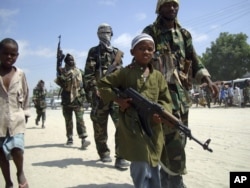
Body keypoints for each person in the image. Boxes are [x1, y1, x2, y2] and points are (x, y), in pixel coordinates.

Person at [142, 0, 219, 187]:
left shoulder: (184, 34)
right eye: (167, 5)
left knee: (181, 138)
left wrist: (207, 80)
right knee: (173, 141)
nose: (172, 8)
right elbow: (141, 60)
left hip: (181, 97)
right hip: (161, 97)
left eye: (175, 5)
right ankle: (176, 181)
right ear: (159, 8)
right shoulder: (150, 32)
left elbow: (194, 59)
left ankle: (166, 177)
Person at [97, 33, 173, 188]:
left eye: (150, 49)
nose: (146, 52)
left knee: (154, 163)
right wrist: (118, 100)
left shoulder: (158, 76)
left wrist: (162, 113)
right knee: (140, 163)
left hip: (153, 127)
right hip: (133, 126)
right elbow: (103, 84)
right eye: (141, 48)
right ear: (132, 52)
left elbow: (166, 99)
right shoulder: (125, 72)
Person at [84, 23, 129, 169]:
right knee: (99, 126)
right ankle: (103, 152)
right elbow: (88, 75)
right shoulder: (94, 52)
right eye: (102, 32)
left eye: (107, 32)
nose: (105, 34)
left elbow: (121, 74)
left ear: (112, 33)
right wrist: (95, 88)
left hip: (116, 95)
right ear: (98, 35)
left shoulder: (117, 53)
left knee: (121, 125)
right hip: (99, 96)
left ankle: (120, 156)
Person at [0, 38, 30, 188]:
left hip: (16, 119)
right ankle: (8, 182)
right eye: (6, 53)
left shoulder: (20, 74)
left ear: (17, 55)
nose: (9, 57)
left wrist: (26, 113)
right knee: (1, 155)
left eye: (13, 54)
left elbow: (26, 94)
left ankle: (20, 172)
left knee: (17, 149)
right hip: (0, 121)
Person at [54, 53, 90, 149]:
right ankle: (70, 138)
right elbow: (60, 82)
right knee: (68, 121)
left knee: (80, 120)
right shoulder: (62, 72)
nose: (71, 61)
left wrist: (88, 97)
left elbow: (85, 84)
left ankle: (83, 139)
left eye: (72, 60)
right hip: (66, 101)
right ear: (66, 62)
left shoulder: (79, 72)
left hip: (78, 100)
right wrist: (58, 65)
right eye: (69, 60)